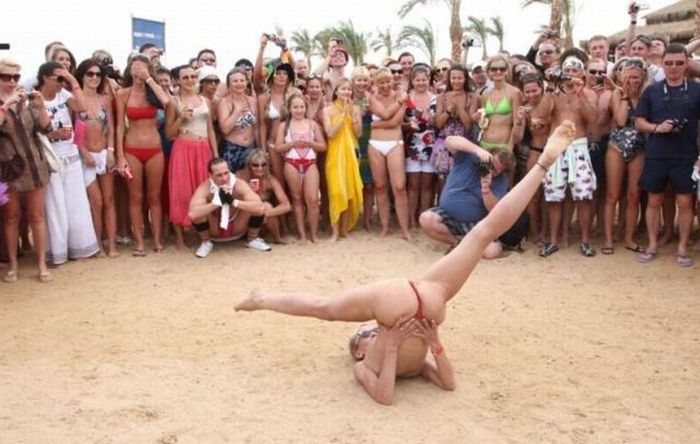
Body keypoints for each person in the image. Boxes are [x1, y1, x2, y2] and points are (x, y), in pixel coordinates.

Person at [234, 121, 577, 405]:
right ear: (359, 353)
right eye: (363, 335)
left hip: (402, 302)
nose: (366, 331)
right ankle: (542, 166)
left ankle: (263, 299)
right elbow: (418, 390)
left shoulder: (376, 347)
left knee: (325, 308)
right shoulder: (378, 365)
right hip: (427, 307)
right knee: (482, 234)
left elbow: (385, 383)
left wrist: (390, 339)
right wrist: (430, 343)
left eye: (364, 331)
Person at [635, 44, 700, 267]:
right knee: (654, 200)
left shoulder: (696, 90)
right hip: (657, 154)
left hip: (687, 155)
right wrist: (657, 128)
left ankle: (682, 247)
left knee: (685, 202)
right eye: (669, 63)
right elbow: (639, 121)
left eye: (679, 63)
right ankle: (652, 245)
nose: (673, 67)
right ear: (662, 63)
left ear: (687, 63)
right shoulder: (651, 91)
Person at [37, 61, 101, 266]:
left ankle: (80, 247)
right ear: (45, 78)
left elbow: (82, 108)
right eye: (57, 78)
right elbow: (35, 130)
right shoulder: (36, 98)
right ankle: (57, 252)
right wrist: (53, 134)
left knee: (76, 203)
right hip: (51, 158)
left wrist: (72, 79)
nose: (60, 82)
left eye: (62, 78)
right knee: (55, 206)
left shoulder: (63, 94)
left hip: (71, 155)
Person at [536, 52, 599, 257]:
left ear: (581, 73)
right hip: (556, 147)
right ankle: (554, 241)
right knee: (554, 197)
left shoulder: (587, 93)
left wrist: (580, 94)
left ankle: (585, 241)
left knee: (583, 196)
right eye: (567, 70)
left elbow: (592, 118)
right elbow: (541, 114)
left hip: (578, 147)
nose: (571, 74)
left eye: (574, 70)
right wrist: (550, 87)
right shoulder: (554, 92)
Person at [0, 58, 53, 282]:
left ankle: (41, 264)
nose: (12, 82)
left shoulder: (27, 101)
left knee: (36, 216)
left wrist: (40, 106)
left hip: (35, 165)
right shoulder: (7, 103)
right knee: (11, 217)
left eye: (16, 77)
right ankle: (13, 265)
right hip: (8, 168)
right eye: (6, 77)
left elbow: (46, 128)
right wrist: (6, 106)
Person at [420, 136, 512, 258]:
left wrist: (486, 189)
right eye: (491, 164)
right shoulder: (469, 157)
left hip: (474, 223)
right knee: (426, 218)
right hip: (447, 215)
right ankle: (456, 243)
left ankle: (465, 244)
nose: (490, 170)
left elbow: (495, 209)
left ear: (502, 172)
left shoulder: (501, 181)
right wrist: (478, 150)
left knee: (491, 251)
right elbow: (449, 141)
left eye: (495, 170)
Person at [115, 54, 171, 256]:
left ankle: (157, 239)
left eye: (142, 67)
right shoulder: (123, 94)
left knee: (154, 197)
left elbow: (167, 101)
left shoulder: (154, 92)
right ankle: (139, 242)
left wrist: (149, 79)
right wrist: (120, 156)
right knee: (135, 197)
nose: (138, 70)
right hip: (132, 149)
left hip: (155, 149)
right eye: (134, 67)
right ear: (130, 70)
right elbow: (119, 127)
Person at [165, 65, 218, 250]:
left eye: (192, 76)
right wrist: (181, 119)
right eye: (185, 77)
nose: (190, 80)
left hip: (203, 149)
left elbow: (211, 130)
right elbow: (168, 134)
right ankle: (180, 239)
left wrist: (216, 154)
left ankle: (203, 235)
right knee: (181, 191)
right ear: (178, 80)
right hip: (183, 149)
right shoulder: (173, 102)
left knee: (204, 191)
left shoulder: (205, 101)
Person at [602, 58, 648, 255]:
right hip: (617, 146)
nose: (632, 81)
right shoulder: (617, 93)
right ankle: (608, 240)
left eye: (636, 77)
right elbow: (620, 120)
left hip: (640, 147)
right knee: (612, 195)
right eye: (628, 77)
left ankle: (629, 238)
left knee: (634, 195)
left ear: (643, 76)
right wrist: (626, 96)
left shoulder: (648, 94)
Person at [74, 58, 118, 258]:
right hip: (85, 157)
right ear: (82, 76)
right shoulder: (74, 100)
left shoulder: (105, 100)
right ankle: (97, 244)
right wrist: (83, 153)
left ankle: (112, 245)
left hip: (104, 154)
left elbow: (111, 127)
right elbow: (73, 130)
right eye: (90, 74)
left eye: (98, 74)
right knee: (96, 203)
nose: (94, 77)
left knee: (109, 200)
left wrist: (111, 151)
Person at [186, 157, 269, 257]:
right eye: (219, 175)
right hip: (214, 230)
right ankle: (206, 242)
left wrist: (234, 202)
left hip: (238, 226)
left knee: (261, 206)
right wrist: (217, 203)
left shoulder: (239, 184)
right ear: (211, 175)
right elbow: (192, 213)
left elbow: (260, 207)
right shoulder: (205, 187)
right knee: (198, 213)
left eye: (226, 173)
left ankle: (253, 239)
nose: (225, 178)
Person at [368, 68, 413, 242]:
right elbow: (385, 114)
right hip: (375, 144)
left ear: (392, 81)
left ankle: (405, 229)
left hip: (395, 143)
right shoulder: (373, 98)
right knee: (380, 187)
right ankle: (385, 226)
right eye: (381, 82)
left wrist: (375, 125)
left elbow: (395, 122)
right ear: (376, 84)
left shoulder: (401, 96)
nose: (385, 85)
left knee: (400, 187)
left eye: (387, 81)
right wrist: (400, 102)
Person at [274, 94, 325, 243]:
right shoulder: (284, 126)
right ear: (289, 109)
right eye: (295, 107)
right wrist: (292, 144)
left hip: (310, 163)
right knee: (297, 199)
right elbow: (278, 147)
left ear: (306, 108)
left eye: (302, 107)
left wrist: (310, 144)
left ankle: (314, 234)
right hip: (291, 163)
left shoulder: (312, 124)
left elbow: (323, 146)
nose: (299, 110)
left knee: (313, 200)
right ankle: (302, 235)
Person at [322, 79, 364, 242]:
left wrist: (352, 115)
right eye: (343, 89)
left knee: (349, 192)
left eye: (349, 89)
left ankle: (344, 230)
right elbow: (330, 133)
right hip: (335, 155)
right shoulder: (328, 110)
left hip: (351, 154)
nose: (346, 92)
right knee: (336, 191)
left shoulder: (356, 109)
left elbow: (359, 133)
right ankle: (335, 231)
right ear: (336, 91)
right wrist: (343, 115)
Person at [511, 73, 551, 243]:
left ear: (541, 88)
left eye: (534, 90)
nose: (531, 95)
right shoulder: (525, 110)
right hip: (535, 151)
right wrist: (520, 121)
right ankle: (534, 233)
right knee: (533, 196)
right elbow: (517, 138)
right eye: (527, 92)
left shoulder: (551, 102)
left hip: (554, 151)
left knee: (551, 196)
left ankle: (548, 231)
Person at [235, 150, 291, 246]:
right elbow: (232, 199)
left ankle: (277, 238)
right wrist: (246, 190)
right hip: (242, 216)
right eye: (255, 165)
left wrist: (265, 213)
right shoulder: (240, 176)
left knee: (267, 206)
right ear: (249, 165)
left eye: (263, 164)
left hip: (261, 220)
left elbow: (286, 206)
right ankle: (249, 238)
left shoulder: (270, 180)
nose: (260, 168)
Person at [403, 65, 437, 229]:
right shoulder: (406, 98)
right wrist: (408, 126)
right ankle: (411, 219)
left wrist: (432, 120)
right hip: (412, 145)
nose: (421, 83)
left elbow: (441, 122)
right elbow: (400, 122)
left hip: (431, 145)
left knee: (427, 186)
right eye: (418, 80)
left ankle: (423, 218)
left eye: (424, 79)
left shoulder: (437, 98)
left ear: (429, 80)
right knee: (413, 185)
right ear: (412, 81)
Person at [433, 65, 473, 196]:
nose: (456, 81)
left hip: (464, 145)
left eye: (460, 78)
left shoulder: (472, 98)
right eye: (453, 78)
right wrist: (448, 110)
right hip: (444, 144)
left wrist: (460, 107)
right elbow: (439, 124)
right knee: (443, 182)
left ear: (465, 79)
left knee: (462, 182)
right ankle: (443, 206)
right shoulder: (441, 97)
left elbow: (469, 126)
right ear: (449, 79)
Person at [218, 68, 258, 173]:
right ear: (229, 84)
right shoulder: (224, 102)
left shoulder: (253, 101)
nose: (239, 84)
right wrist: (237, 111)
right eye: (235, 81)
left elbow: (256, 127)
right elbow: (225, 129)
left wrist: (260, 148)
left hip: (251, 148)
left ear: (246, 82)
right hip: (232, 149)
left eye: (242, 80)